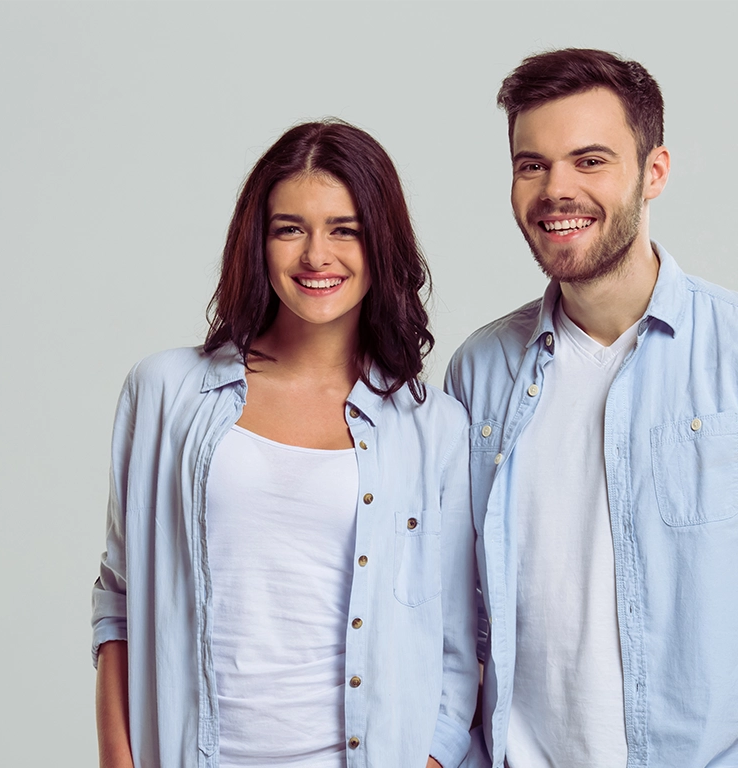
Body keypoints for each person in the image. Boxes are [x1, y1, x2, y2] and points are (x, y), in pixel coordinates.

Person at [445, 49, 738, 768]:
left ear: (655, 171)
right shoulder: (479, 373)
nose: (556, 191)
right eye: (532, 165)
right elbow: (456, 618)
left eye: (591, 160)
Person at [91, 120, 479, 768]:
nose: (316, 256)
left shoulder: (433, 428)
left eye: (343, 229)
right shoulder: (164, 393)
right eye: (290, 228)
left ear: (380, 244)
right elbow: (119, 601)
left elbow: (455, 654)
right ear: (258, 240)